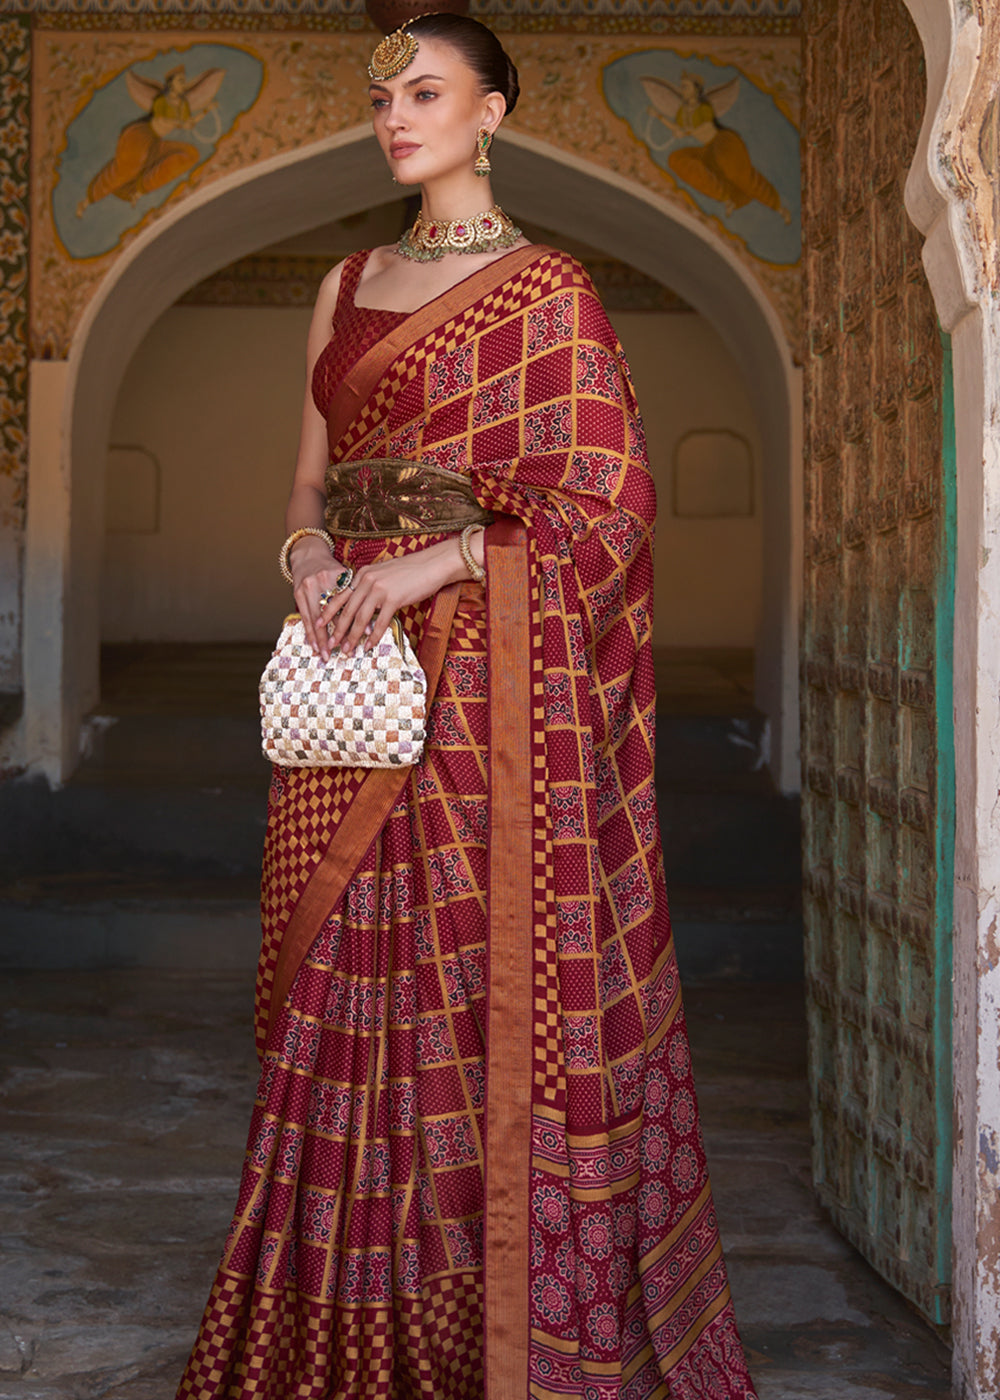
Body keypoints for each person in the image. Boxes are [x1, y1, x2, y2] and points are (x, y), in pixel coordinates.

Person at [176, 13, 759, 1399]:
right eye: (382, 97)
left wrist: (439, 563)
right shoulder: (345, 282)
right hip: (351, 671)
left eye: (425, 92)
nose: (395, 116)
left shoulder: (547, 290)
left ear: (494, 111)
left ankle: (479, 1331)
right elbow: (312, 484)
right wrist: (314, 559)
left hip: (490, 675)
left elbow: (609, 500)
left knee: (474, 987)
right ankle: (333, 1334)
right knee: (331, 977)